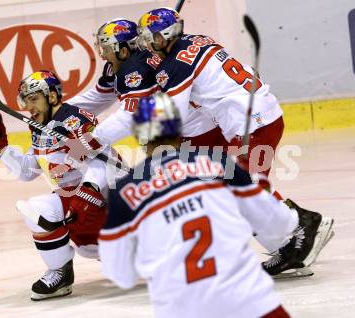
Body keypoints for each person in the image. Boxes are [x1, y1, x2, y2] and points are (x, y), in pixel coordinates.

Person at [136, 7, 334, 275]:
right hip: (258, 115)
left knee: (246, 188)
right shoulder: (199, 40)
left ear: (166, 35)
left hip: (253, 123)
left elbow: (173, 118)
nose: (149, 45)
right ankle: (289, 243)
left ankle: (303, 224)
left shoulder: (174, 67)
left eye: (152, 39)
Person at [98, 93, 303, 318]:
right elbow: (280, 226)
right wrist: (260, 189)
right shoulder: (219, 163)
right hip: (249, 302)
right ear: (178, 127)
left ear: (137, 133)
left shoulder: (124, 191)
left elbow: (120, 274)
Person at [0, 70, 109, 300]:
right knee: (36, 209)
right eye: (26, 101)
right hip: (72, 199)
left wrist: (89, 191)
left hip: (105, 201)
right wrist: (2, 149)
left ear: (52, 96)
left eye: (34, 99)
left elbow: (104, 162)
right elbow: (29, 171)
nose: (30, 107)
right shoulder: (39, 128)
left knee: (126, 259)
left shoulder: (77, 120)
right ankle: (60, 273)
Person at [67, 18, 215, 147]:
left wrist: (87, 144)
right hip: (180, 133)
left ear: (123, 51)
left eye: (105, 49)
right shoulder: (122, 65)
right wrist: (59, 114)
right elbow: (97, 97)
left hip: (197, 134)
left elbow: (129, 118)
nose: (103, 56)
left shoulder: (136, 70)